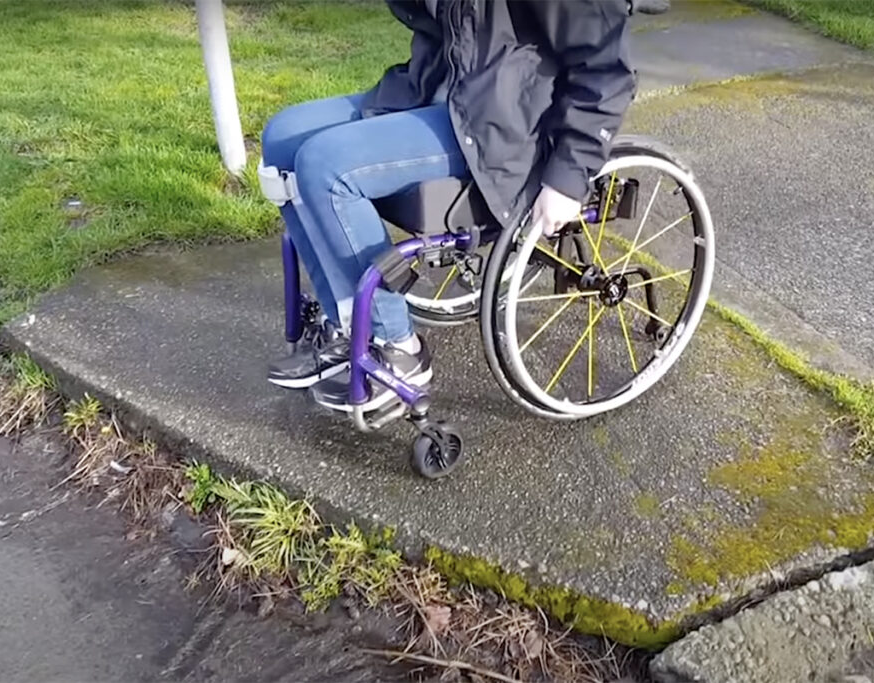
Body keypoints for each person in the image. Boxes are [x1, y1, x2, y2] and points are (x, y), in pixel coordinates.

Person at [261, 0, 639, 412]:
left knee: (324, 165)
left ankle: (396, 348)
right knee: (283, 137)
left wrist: (569, 174)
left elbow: (607, 69)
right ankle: (345, 323)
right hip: (435, 88)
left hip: (505, 123)